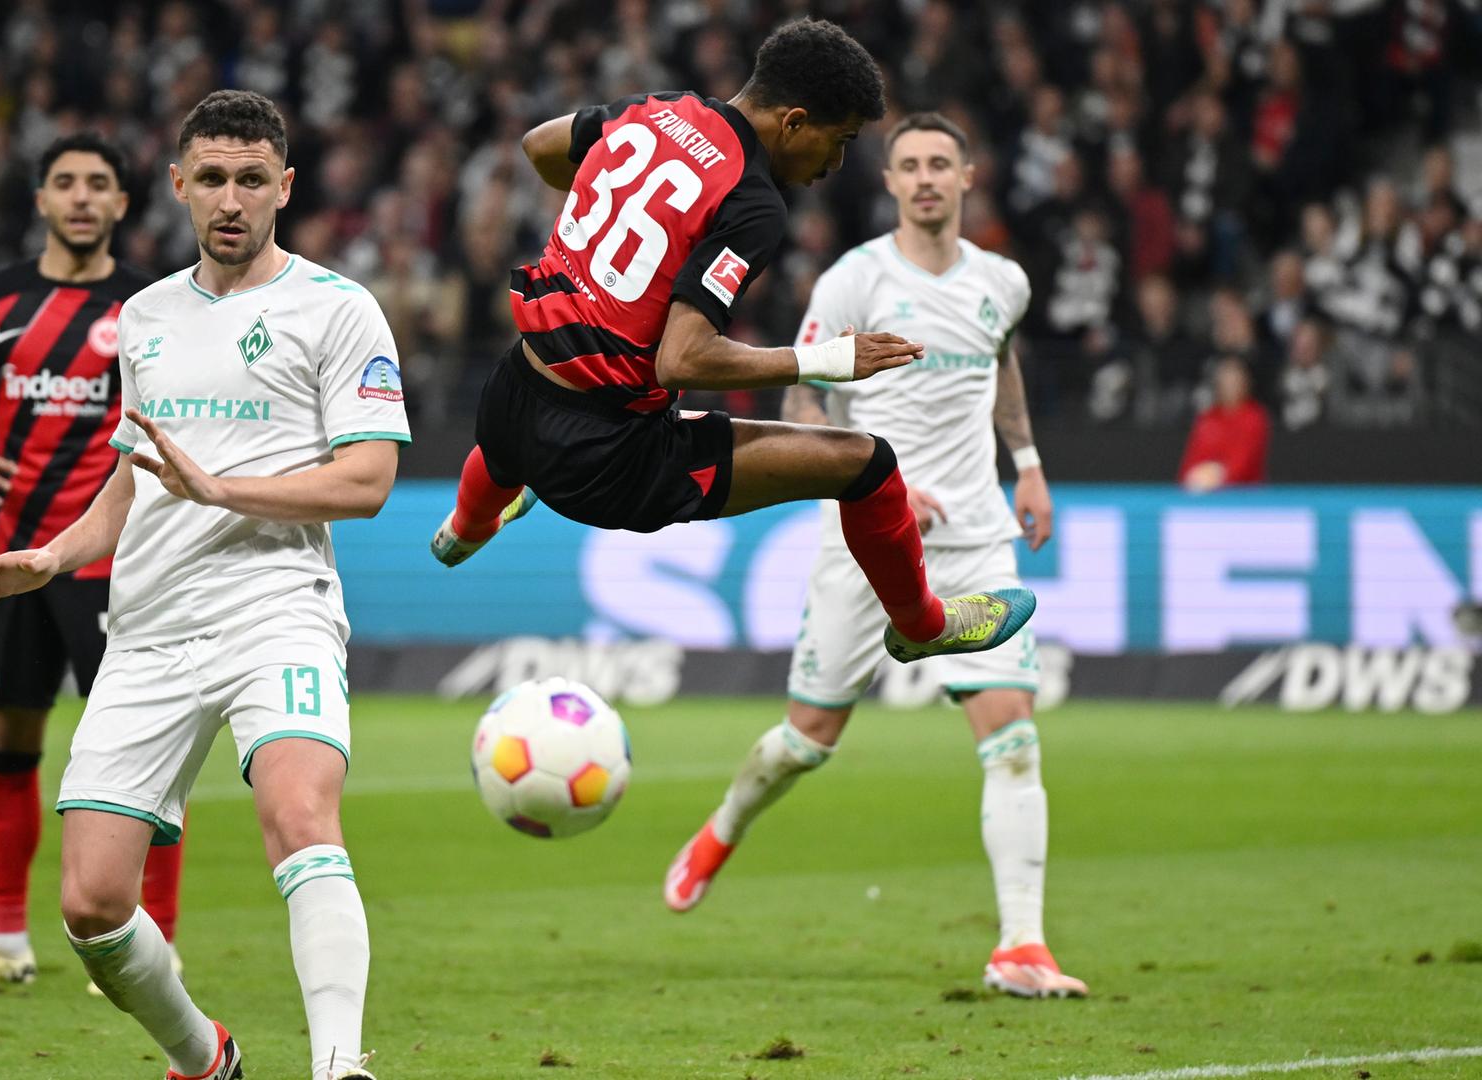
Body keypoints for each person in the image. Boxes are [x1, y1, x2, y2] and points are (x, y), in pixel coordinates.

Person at [0, 90, 401, 1080]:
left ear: (284, 186)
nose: (231, 199)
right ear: (179, 187)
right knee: (93, 905)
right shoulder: (143, 317)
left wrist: (220, 486)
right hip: (149, 627)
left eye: (251, 180)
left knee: (300, 818)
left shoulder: (338, 307)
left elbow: (367, 481)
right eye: (212, 179)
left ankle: (339, 1066)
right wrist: (55, 556)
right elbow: (129, 482)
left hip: (275, 605)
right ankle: (206, 1059)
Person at [431, 18, 1035, 665]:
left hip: (512, 393)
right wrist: (829, 361)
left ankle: (461, 533)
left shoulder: (658, 110)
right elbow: (683, 357)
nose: (833, 165)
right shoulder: (751, 200)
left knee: (504, 461)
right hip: (611, 459)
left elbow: (539, 144)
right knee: (869, 467)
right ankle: (922, 625)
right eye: (840, 141)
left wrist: (612, 207)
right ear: (795, 121)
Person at [664, 113, 1089, 1000]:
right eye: (909, 166)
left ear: (969, 177)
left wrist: (1033, 465)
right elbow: (810, 402)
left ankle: (1021, 945)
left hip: (974, 535)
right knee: (806, 742)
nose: (926, 178)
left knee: (1012, 736)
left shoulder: (1003, 282)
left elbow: (1000, 370)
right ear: (890, 182)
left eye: (942, 164)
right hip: (867, 535)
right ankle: (725, 826)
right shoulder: (856, 279)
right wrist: (876, 481)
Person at [0, 134, 189, 994]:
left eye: (98, 184)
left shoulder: (151, 305)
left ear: (121, 205)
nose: (80, 197)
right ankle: (4, 942)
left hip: (113, 562)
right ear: (39, 199)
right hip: (13, 557)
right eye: (64, 182)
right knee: (8, 740)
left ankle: (158, 948)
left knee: (144, 756)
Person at [1179, 356, 1269, 491]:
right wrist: (1191, 479)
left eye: (1235, 380)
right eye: (1226, 380)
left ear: (1246, 383)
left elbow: (1243, 463)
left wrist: (1216, 478)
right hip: (1205, 496)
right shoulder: (1207, 418)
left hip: (1245, 497)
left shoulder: (1254, 417)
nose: (1230, 385)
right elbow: (1191, 461)